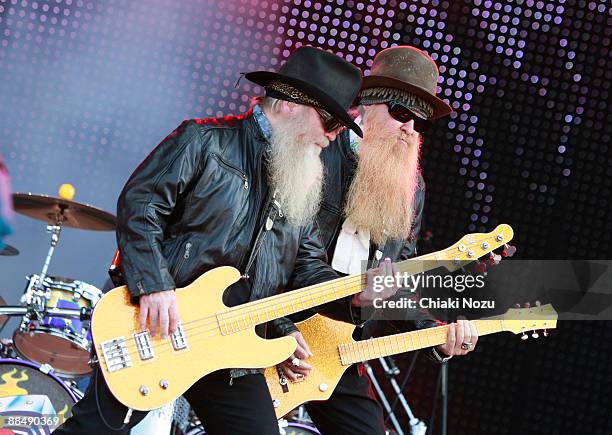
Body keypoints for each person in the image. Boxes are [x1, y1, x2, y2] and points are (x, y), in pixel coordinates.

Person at [54, 47, 401, 435]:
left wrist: (353, 297)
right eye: (329, 121)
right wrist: (153, 285)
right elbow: (141, 206)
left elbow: (306, 268)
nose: (333, 135)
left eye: (339, 127)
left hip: (233, 348)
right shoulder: (204, 141)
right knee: (94, 430)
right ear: (289, 103)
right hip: (159, 327)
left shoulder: (300, 182)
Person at [275, 46, 480, 434]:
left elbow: (392, 285)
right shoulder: (319, 149)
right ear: (367, 105)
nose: (409, 129)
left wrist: (437, 336)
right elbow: (275, 247)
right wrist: (282, 325)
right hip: (278, 323)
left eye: (419, 123)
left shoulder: (412, 189)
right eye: (401, 113)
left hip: (338, 345)